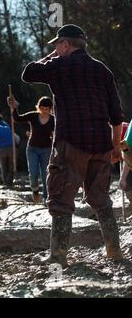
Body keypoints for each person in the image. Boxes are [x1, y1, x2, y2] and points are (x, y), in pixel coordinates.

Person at [22, 24, 124, 266]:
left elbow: (28, 73)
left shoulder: (59, 66)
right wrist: (116, 147)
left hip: (71, 144)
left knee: (60, 200)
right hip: (101, 144)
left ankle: (58, 257)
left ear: (65, 45)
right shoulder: (102, 70)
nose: (55, 50)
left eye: (57, 45)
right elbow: (117, 115)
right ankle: (114, 251)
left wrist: (51, 57)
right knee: (101, 199)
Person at [8, 96, 55, 204]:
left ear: (50, 109)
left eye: (47, 109)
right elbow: (17, 119)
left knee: (45, 174)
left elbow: (56, 134)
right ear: (39, 107)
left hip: (46, 150)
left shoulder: (53, 119)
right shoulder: (33, 116)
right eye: (42, 108)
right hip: (32, 149)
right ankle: (34, 190)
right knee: (33, 173)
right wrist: (14, 107)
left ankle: (45, 198)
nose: (44, 111)